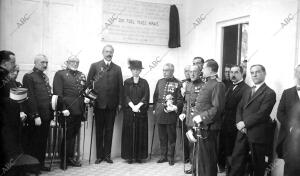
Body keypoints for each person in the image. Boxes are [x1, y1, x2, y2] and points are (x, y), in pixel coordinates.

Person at [229, 64, 276, 176]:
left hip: (257, 134)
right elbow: (239, 108)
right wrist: (239, 123)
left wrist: (245, 123)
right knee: (237, 162)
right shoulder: (248, 91)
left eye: (257, 72)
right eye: (252, 72)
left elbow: (262, 114)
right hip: (242, 133)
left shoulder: (269, 93)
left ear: (264, 73)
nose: (254, 74)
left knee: (258, 165)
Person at [87, 44, 123, 164]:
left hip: (112, 105)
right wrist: (92, 100)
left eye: (111, 52)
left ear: (113, 54)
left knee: (109, 130)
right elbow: (88, 85)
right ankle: (99, 156)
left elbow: (120, 88)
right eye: (107, 51)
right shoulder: (95, 66)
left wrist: (119, 103)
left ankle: (107, 155)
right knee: (99, 130)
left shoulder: (117, 68)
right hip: (98, 104)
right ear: (103, 53)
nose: (109, 54)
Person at [191, 59, 226, 176]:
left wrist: (201, 117)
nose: (202, 70)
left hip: (209, 127)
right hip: (202, 127)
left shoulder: (218, 84)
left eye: (204, 68)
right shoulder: (208, 82)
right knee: (201, 158)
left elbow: (217, 108)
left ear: (210, 70)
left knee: (208, 159)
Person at [22, 54, 56, 171]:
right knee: (34, 142)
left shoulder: (44, 77)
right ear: (35, 63)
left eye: (46, 62)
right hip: (36, 117)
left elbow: (48, 96)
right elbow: (30, 97)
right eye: (42, 62)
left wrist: (51, 114)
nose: (45, 65)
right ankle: (32, 167)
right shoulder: (29, 76)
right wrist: (35, 115)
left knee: (42, 142)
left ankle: (40, 164)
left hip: (46, 115)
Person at [53, 56, 86, 169]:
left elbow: (83, 90)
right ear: (67, 62)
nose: (75, 64)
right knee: (67, 135)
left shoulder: (81, 74)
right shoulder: (60, 74)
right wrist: (62, 109)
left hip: (79, 110)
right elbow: (58, 93)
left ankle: (70, 158)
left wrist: (86, 98)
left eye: (77, 62)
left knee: (73, 135)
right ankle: (64, 160)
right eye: (72, 62)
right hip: (67, 110)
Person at [220, 65, 250, 174]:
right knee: (227, 149)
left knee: (235, 152)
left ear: (242, 74)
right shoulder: (230, 87)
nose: (233, 74)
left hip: (236, 126)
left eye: (236, 72)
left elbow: (244, 109)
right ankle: (229, 171)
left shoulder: (246, 89)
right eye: (231, 72)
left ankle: (233, 172)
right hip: (226, 125)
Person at [153, 63, 183, 166]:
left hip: (171, 114)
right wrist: (154, 109)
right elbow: (155, 97)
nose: (164, 72)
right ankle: (163, 156)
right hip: (160, 112)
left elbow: (180, 99)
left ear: (172, 71)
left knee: (171, 136)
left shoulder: (178, 83)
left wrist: (175, 107)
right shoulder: (160, 82)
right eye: (163, 70)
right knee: (162, 136)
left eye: (166, 70)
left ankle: (171, 157)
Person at [121, 60, 150, 164]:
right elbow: (125, 96)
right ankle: (129, 157)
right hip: (129, 112)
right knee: (129, 134)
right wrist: (132, 106)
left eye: (138, 70)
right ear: (131, 70)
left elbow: (146, 96)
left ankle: (139, 157)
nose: (136, 72)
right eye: (134, 70)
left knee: (140, 133)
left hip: (140, 112)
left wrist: (138, 106)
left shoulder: (144, 82)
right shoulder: (127, 82)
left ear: (140, 71)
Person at [179, 65, 204, 174]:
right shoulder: (188, 85)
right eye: (190, 72)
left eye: (195, 72)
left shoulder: (204, 85)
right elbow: (186, 102)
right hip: (189, 120)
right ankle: (193, 167)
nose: (192, 74)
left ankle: (199, 168)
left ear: (200, 73)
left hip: (198, 121)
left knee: (199, 146)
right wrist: (183, 113)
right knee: (191, 144)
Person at [276, 65, 300, 175]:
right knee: (290, 168)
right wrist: (290, 126)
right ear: (295, 74)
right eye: (299, 72)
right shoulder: (287, 93)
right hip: (290, 139)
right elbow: (280, 113)